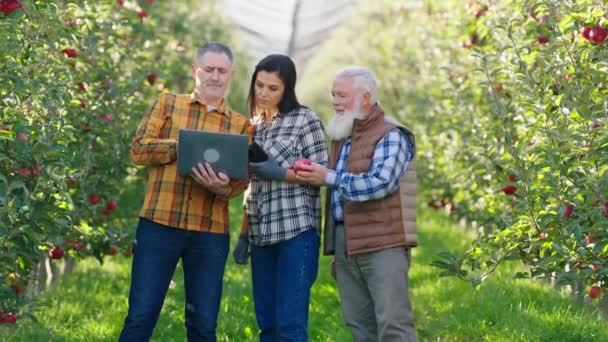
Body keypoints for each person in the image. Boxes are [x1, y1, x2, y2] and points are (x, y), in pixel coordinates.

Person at [119, 42, 253, 342]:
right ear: (196, 71)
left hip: (209, 232)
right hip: (159, 225)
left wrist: (223, 188)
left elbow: (242, 180)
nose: (215, 76)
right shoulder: (168, 103)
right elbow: (138, 149)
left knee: (203, 324)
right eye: (209, 69)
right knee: (141, 315)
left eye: (221, 71)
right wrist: (181, 148)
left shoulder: (241, 125)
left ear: (230, 74)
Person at [295, 66, 418, 342]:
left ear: (365, 96)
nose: (335, 101)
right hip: (346, 241)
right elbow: (340, 184)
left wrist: (326, 176)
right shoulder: (343, 135)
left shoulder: (391, 134)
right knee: (359, 325)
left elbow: (381, 182)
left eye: (342, 95)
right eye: (333, 94)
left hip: (383, 242)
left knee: (393, 323)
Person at [237, 54, 329, 341]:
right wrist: (243, 234)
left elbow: (322, 173)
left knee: (289, 324)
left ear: (287, 89)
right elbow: (251, 187)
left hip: (296, 232)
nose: (263, 93)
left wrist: (280, 173)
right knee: (267, 323)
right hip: (262, 233)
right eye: (259, 85)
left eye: (272, 88)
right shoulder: (253, 126)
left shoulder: (305, 119)